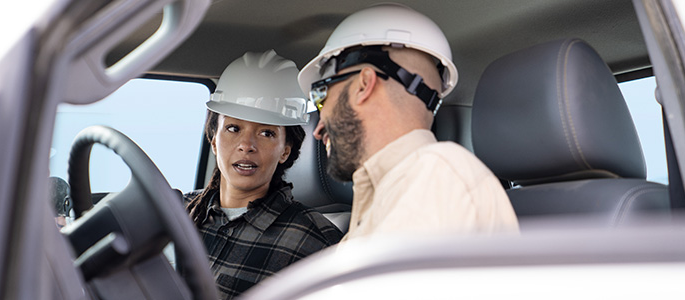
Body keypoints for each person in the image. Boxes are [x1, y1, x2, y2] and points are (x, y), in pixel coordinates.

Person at [297, 3, 519, 242]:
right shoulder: (392, 191)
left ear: (363, 85)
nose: (318, 130)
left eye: (322, 97)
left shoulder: (435, 179)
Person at [184, 50, 343, 300]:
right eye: (233, 128)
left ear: (285, 151)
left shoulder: (314, 240)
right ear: (213, 141)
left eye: (266, 133)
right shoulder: (178, 211)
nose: (247, 145)